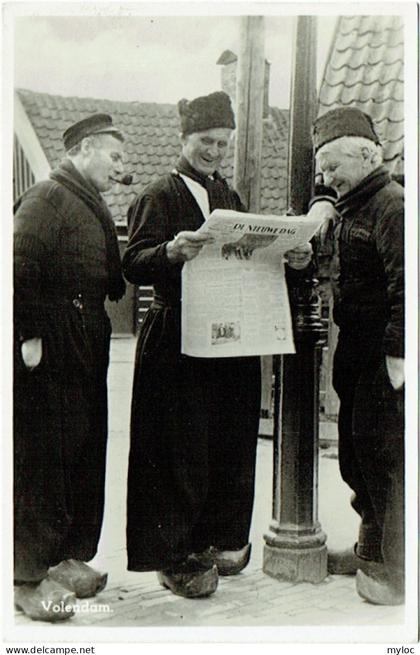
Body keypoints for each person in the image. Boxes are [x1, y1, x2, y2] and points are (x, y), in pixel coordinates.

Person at [122, 91, 312, 598]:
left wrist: (288, 258)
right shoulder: (157, 195)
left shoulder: (228, 196)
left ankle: (216, 539)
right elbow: (132, 263)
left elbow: (249, 258)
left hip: (228, 336)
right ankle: (174, 553)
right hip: (176, 340)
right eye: (206, 141)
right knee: (177, 446)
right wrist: (170, 250)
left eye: (222, 143)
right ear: (184, 139)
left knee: (223, 440)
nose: (214, 151)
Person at [14, 114, 127, 621]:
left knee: (80, 453)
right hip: (51, 347)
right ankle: (25, 577)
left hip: (84, 342)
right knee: (41, 461)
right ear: (83, 149)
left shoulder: (89, 201)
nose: (120, 167)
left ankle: (63, 556)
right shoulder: (46, 198)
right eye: (114, 155)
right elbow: (17, 266)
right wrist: (30, 336)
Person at [310, 107, 404, 605]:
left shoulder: (392, 206)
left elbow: (407, 286)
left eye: (332, 168)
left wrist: (398, 356)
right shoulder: (353, 203)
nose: (326, 179)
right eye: (322, 169)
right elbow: (327, 195)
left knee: (388, 458)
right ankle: (371, 550)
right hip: (356, 351)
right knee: (358, 455)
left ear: (366, 156)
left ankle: (396, 572)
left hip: (382, 355)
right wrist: (323, 198)